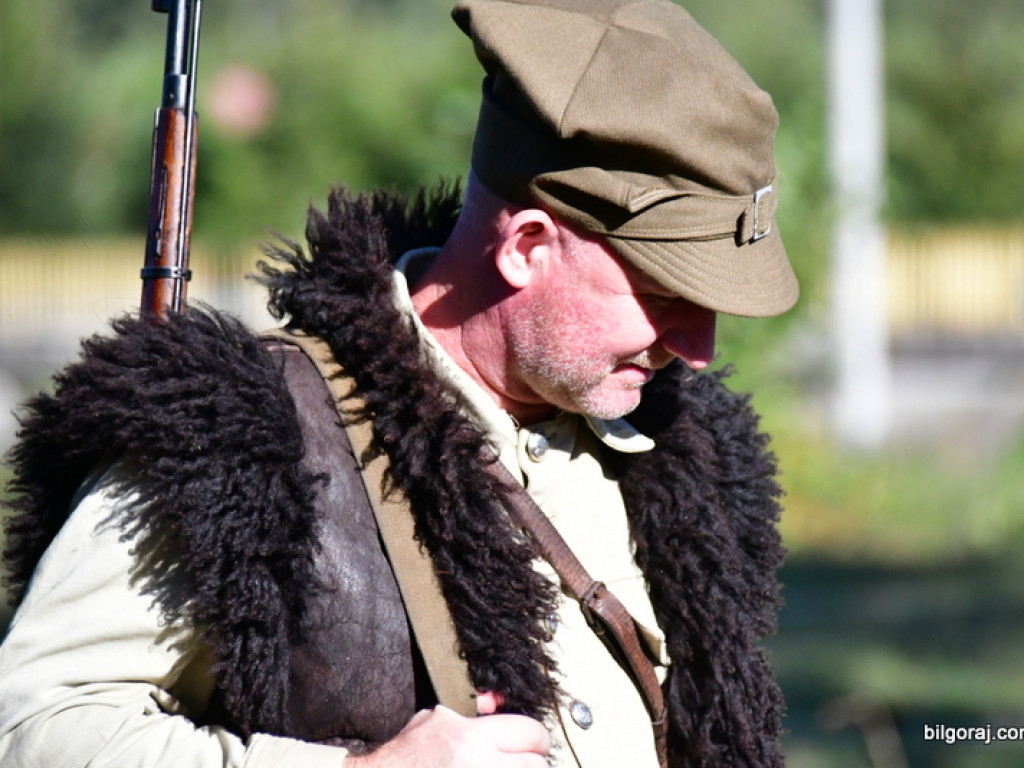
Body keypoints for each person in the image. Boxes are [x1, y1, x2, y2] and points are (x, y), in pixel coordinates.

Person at [0, 0, 798, 766]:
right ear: (525, 245)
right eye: (665, 298)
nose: (698, 351)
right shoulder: (239, 444)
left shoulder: (683, 457)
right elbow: (30, 725)